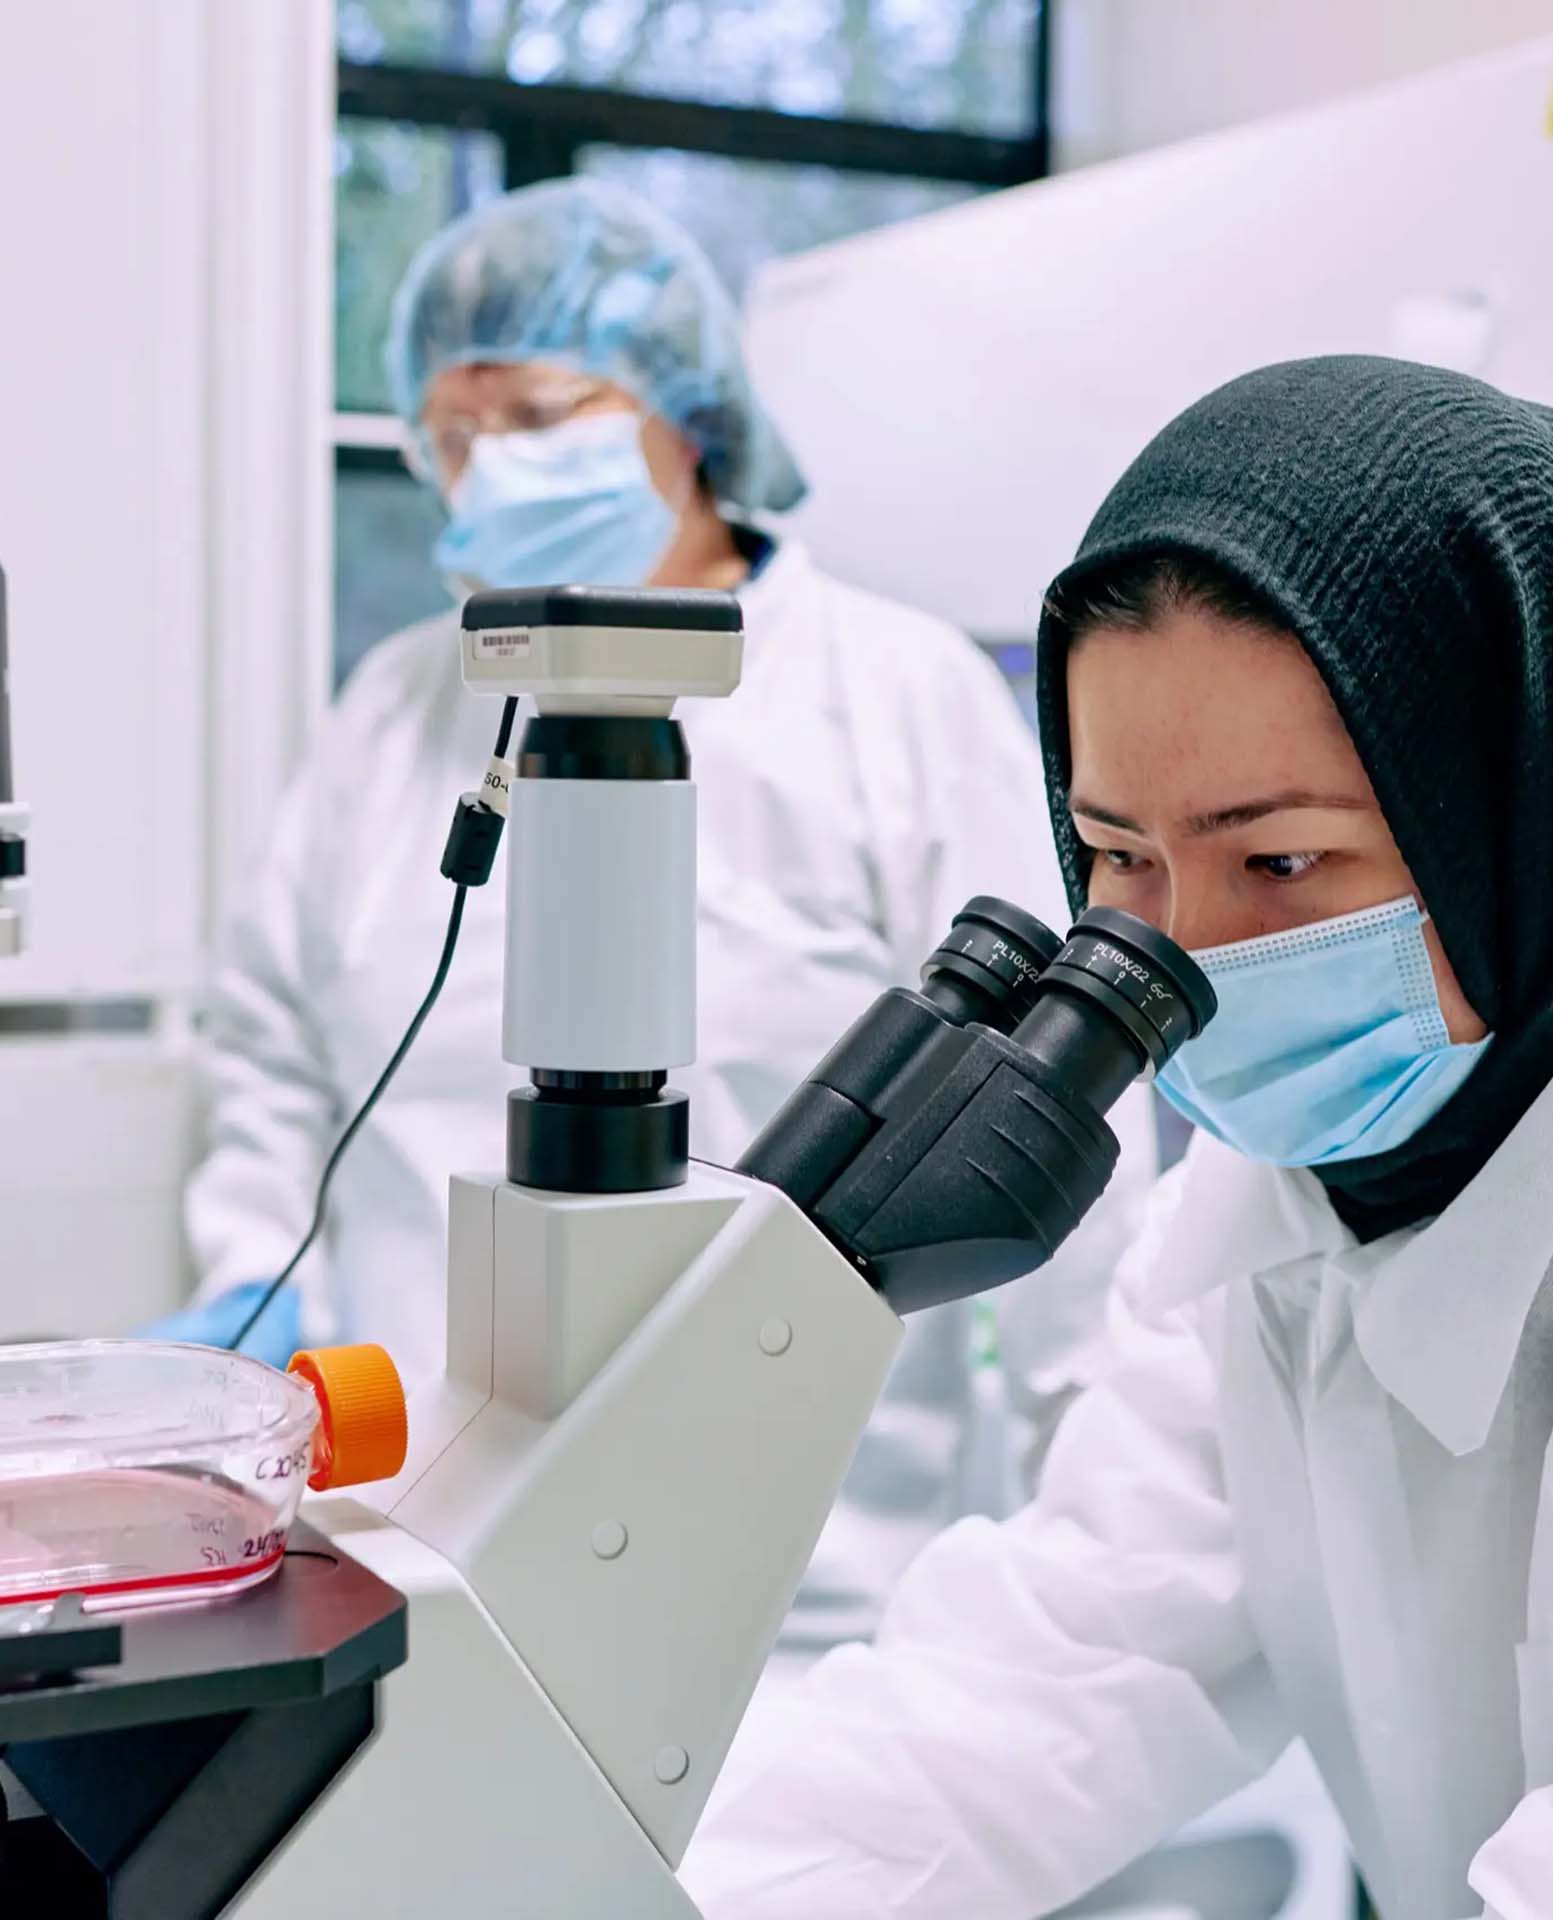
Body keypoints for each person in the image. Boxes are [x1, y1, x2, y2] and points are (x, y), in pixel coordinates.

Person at [681, 355, 1553, 1918]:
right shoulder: (1278, 1201)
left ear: (1521, 822)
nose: (1179, 954)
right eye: (1116, 856)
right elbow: (1038, 1686)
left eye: (1279, 859)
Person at [165, 177, 1153, 1666]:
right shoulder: (396, 707)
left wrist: (1111, 1505)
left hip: (802, 1585)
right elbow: (274, 1057)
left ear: (687, 416)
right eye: (453, 435)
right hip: (399, 1541)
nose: (490, 468)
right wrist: (254, 1277)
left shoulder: (888, 695)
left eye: (542, 414)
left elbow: (1054, 1117)